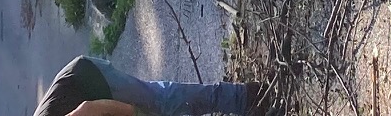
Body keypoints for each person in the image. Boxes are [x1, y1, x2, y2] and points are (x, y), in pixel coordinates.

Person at [33, 55, 251, 116]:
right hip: (86, 96)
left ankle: (245, 98)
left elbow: (88, 109)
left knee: (162, 102)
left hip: (90, 80)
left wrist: (138, 114)